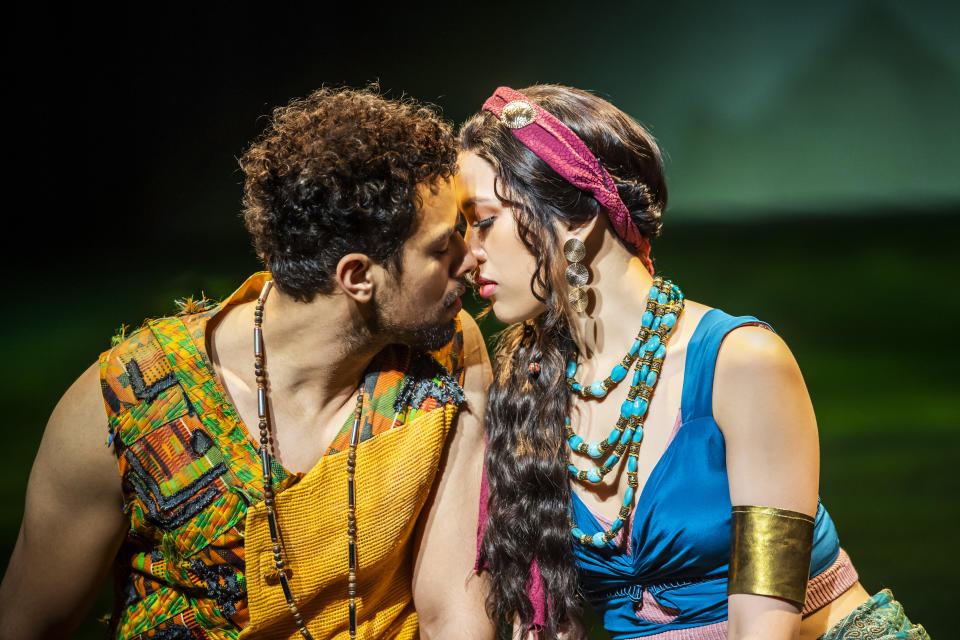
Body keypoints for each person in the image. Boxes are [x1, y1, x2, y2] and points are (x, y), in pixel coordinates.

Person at [0, 87, 495, 640]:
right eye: (440, 245)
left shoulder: (445, 361)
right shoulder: (133, 403)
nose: (471, 255)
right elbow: (27, 623)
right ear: (357, 276)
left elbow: (457, 610)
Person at [458, 85, 928, 640]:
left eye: (483, 220)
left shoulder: (744, 364)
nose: (468, 254)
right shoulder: (527, 388)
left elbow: (764, 626)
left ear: (576, 218)